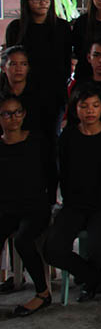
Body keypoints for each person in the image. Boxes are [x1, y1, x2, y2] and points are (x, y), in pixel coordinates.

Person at [44, 83, 101, 302]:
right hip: (76, 205)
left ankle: (93, 281)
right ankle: (94, 278)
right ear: (76, 109)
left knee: (98, 247)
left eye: (95, 106)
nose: (90, 111)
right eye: (84, 106)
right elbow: (62, 171)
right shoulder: (68, 136)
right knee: (52, 249)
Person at [0, 94, 55, 316]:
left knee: (23, 240)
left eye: (17, 112)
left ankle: (42, 293)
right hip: (6, 208)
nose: (13, 118)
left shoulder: (37, 141)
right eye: (6, 114)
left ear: (23, 114)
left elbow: (52, 174)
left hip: (35, 207)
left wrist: (51, 201)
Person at [4, 0, 72, 129]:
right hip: (23, 94)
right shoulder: (16, 28)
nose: (43, 2)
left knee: (50, 139)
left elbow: (66, 63)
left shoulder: (62, 28)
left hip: (53, 94)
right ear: (26, 1)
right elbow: (11, 62)